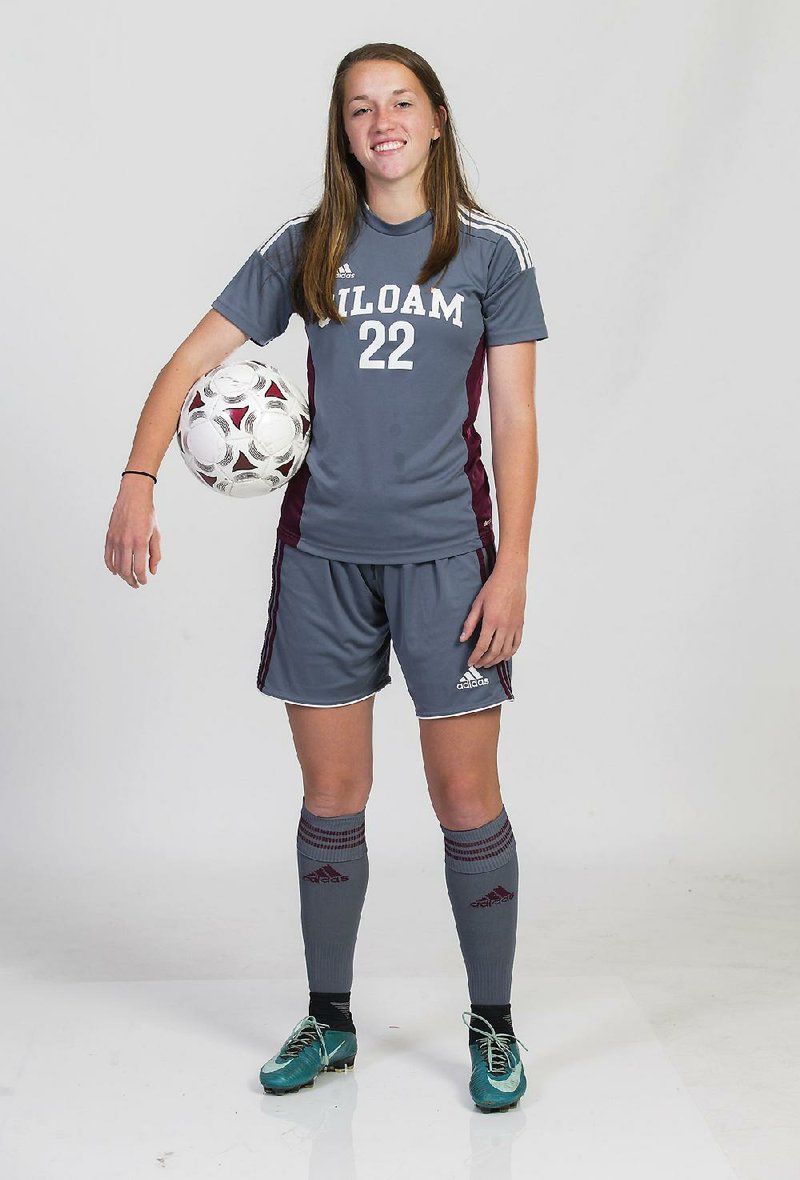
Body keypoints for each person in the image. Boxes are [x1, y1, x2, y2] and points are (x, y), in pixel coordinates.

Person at [104, 41, 547, 1114]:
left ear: (435, 120)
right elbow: (186, 363)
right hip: (323, 562)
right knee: (332, 796)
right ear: (342, 132)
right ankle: (330, 1017)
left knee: (464, 796)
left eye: (400, 102)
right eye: (359, 108)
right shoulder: (309, 245)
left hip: (449, 560)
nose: (380, 121)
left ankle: (491, 1020)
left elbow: (516, 423)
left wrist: (513, 569)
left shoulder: (489, 254)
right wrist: (136, 478)